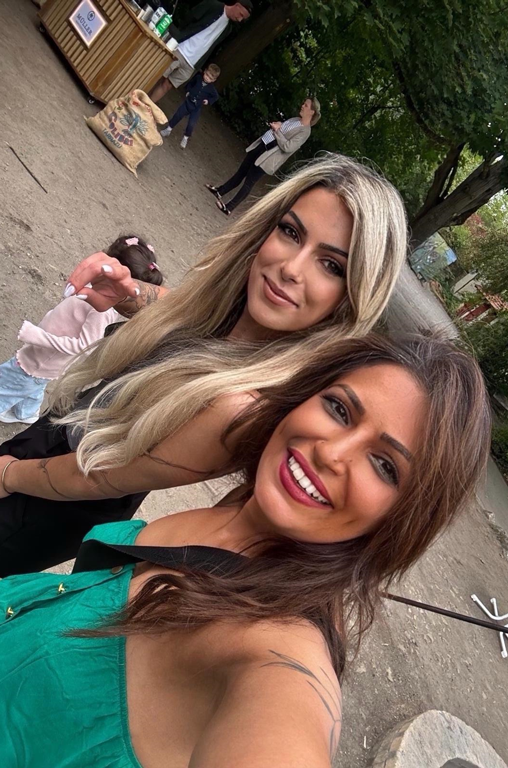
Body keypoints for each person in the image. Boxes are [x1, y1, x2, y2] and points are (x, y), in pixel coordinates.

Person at [0, 335, 491, 767]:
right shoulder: (249, 504)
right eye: (339, 410)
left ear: (404, 517)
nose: (330, 452)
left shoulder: (280, 655)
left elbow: (284, 720)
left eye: (384, 466)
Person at [0, 154, 409, 575]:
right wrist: (127, 291)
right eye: (290, 232)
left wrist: (9, 475)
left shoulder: (241, 404)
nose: (291, 268)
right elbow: (180, 311)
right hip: (55, 438)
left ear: (352, 296)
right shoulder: (230, 315)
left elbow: (97, 475)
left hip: (52, 496)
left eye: (331, 265)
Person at [0, 235, 163, 426]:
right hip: (46, 358)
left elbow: (84, 346)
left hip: (42, 359)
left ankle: (22, 408)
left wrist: (37, 336)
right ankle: (26, 412)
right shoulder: (96, 287)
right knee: (34, 383)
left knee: (9, 381)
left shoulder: (102, 310)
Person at [207, 97, 321, 215]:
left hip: (268, 157)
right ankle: (219, 191)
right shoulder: (296, 119)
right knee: (242, 171)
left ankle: (229, 207)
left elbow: (288, 147)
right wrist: (279, 124)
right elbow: (284, 129)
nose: (302, 106)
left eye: (306, 105)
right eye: (303, 103)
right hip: (263, 144)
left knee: (249, 182)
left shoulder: (305, 132)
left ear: (312, 112)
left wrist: (277, 131)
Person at [150, 1, 252, 103]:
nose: (240, 19)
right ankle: (139, 93)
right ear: (237, 5)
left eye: (243, 18)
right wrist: (179, 36)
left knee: (167, 85)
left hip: (192, 64)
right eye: (241, 14)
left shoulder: (228, 29)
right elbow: (190, 17)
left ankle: (144, 106)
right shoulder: (213, 5)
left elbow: (213, 46)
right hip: (180, 49)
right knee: (155, 74)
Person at [160, 63, 220, 149]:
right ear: (205, 71)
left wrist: (208, 101)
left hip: (196, 108)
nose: (207, 78)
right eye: (207, 75)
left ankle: (185, 138)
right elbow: (190, 84)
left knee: (191, 124)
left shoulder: (211, 89)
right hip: (188, 102)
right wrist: (188, 91)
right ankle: (168, 129)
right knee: (178, 115)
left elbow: (215, 96)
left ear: (214, 80)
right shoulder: (198, 78)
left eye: (210, 78)